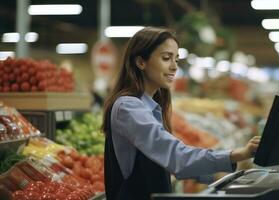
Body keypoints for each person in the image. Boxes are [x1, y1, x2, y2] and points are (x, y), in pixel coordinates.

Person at [102, 27, 260, 200]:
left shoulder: (152, 107)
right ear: (141, 62)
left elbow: (165, 160)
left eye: (176, 59)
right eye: (166, 58)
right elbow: (176, 156)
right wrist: (236, 154)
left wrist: (214, 175)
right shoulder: (128, 108)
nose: (174, 67)